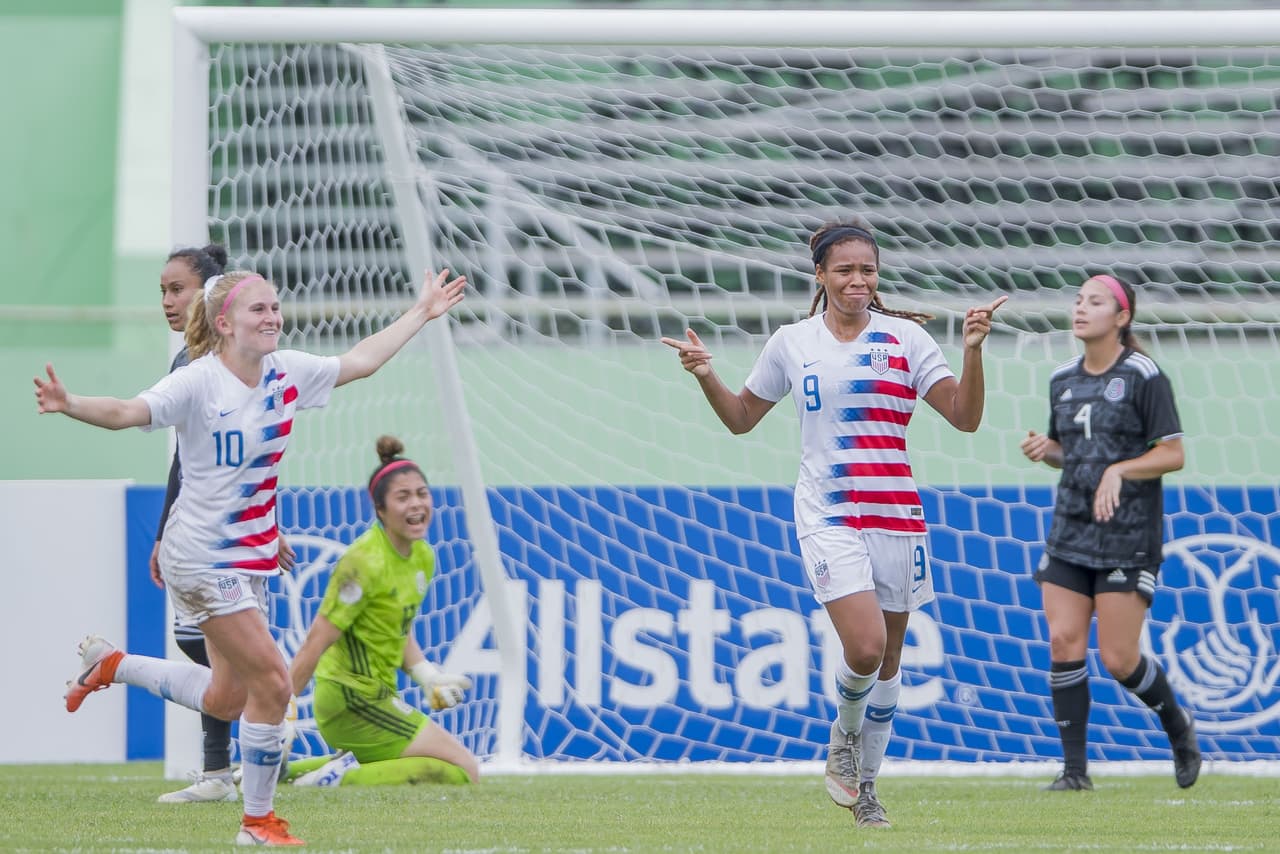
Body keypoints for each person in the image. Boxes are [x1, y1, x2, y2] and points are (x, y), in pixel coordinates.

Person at [37, 267, 466, 846]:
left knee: (227, 696)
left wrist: (421, 312)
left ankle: (113, 665)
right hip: (200, 559)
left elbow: (362, 361)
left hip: (250, 558)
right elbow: (127, 411)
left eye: (274, 307)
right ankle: (258, 822)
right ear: (223, 324)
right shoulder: (197, 382)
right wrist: (70, 403)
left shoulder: (286, 371)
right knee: (273, 683)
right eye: (258, 310)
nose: (272, 318)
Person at [662, 215, 1006, 829]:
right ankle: (843, 739)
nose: (857, 280)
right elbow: (742, 418)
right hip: (828, 514)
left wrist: (972, 351)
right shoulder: (793, 342)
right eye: (844, 270)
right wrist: (704, 373)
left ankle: (866, 786)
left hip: (897, 516)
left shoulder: (905, 339)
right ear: (819, 274)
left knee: (892, 659)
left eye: (867, 270)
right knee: (866, 645)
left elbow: (965, 417)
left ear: (878, 277)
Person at [1020, 273, 1200, 792]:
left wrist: (1119, 470)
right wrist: (1046, 451)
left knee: (1119, 658)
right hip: (1070, 528)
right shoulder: (1062, 378)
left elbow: (1173, 453)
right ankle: (1074, 773)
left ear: (1121, 318)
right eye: (1077, 300)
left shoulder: (1144, 375)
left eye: (1095, 302)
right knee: (1062, 640)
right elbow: (1069, 451)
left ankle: (1178, 729)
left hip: (1127, 535)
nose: (1081, 309)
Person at [285, 434, 480, 788]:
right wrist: (282, 710)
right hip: (350, 698)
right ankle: (331, 781)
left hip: (377, 695)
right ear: (380, 510)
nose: (416, 505)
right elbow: (316, 641)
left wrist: (426, 676)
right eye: (402, 497)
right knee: (465, 771)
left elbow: (397, 628)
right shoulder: (362, 562)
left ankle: (278, 775)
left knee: (447, 771)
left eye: (422, 494)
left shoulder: (423, 555)